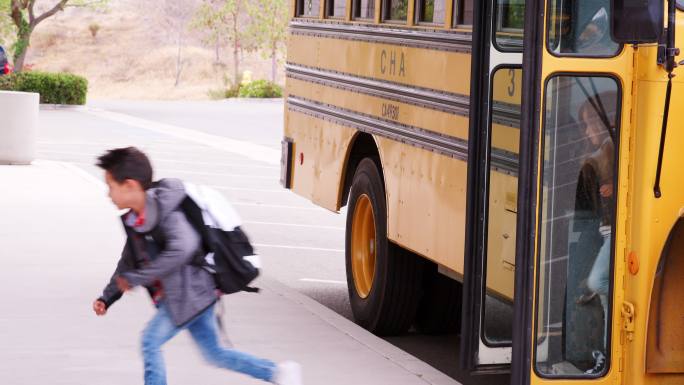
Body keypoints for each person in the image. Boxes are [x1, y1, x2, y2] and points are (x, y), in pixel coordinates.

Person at [91, 147, 302, 385]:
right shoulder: (135, 220)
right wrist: (108, 297)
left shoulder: (166, 211)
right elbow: (127, 261)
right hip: (193, 297)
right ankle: (278, 373)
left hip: (189, 295)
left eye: (111, 187)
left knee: (150, 342)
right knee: (214, 354)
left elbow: (184, 248)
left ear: (130, 185)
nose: (108, 195)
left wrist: (138, 278)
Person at [575, 92, 616, 375]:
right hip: (605, 230)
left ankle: (606, 354)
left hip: (612, 231)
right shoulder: (605, 150)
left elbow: (599, 162)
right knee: (603, 297)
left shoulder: (608, 149)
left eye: (590, 123)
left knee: (599, 281)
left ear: (606, 121)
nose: (587, 130)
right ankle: (605, 354)